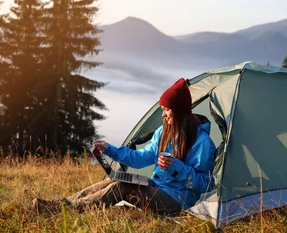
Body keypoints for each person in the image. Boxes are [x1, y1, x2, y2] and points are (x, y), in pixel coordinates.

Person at [33, 78, 216, 216]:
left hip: (178, 200)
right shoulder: (164, 132)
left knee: (122, 188)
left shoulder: (202, 143)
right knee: (111, 181)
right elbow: (141, 158)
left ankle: (65, 212)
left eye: (166, 110)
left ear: (179, 111)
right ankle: (59, 205)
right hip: (156, 186)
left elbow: (204, 185)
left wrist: (176, 167)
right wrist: (109, 149)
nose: (163, 115)